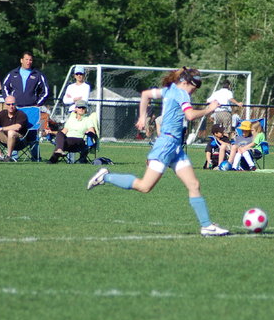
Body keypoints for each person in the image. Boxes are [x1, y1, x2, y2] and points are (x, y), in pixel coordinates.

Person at [87, 67, 229, 236]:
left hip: (175, 147)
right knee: (145, 186)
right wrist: (209, 109)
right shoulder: (182, 93)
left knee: (194, 185)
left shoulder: (169, 90)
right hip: (166, 145)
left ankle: (206, 226)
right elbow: (190, 115)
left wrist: (142, 117)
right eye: (194, 87)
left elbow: (145, 94)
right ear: (185, 82)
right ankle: (105, 176)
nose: (194, 91)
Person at [46, 100, 98, 164]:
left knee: (61, 143)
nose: (81, 109)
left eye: (83, 108)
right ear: (76, 109)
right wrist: (51, 132)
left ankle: (53, 159)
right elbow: (64, 132)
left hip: (80, 141)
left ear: (86, 109)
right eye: (79, 107)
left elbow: (92, 131)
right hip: (68, 141)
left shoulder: (87, 120)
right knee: (60, 133)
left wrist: (89, 132)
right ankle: (58, 152)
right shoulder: (71, 120)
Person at [0, 95, 28, 161]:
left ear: (16, 104)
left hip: (20, 141)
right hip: (5, 139)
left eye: (13, 104)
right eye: (8, 104)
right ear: (5, 105)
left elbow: (17, 127)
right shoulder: (2, 114)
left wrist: (1, 128)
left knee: (11, 132)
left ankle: (8, 156)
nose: (11, 106)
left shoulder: (21, 114)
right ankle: (0, 156)